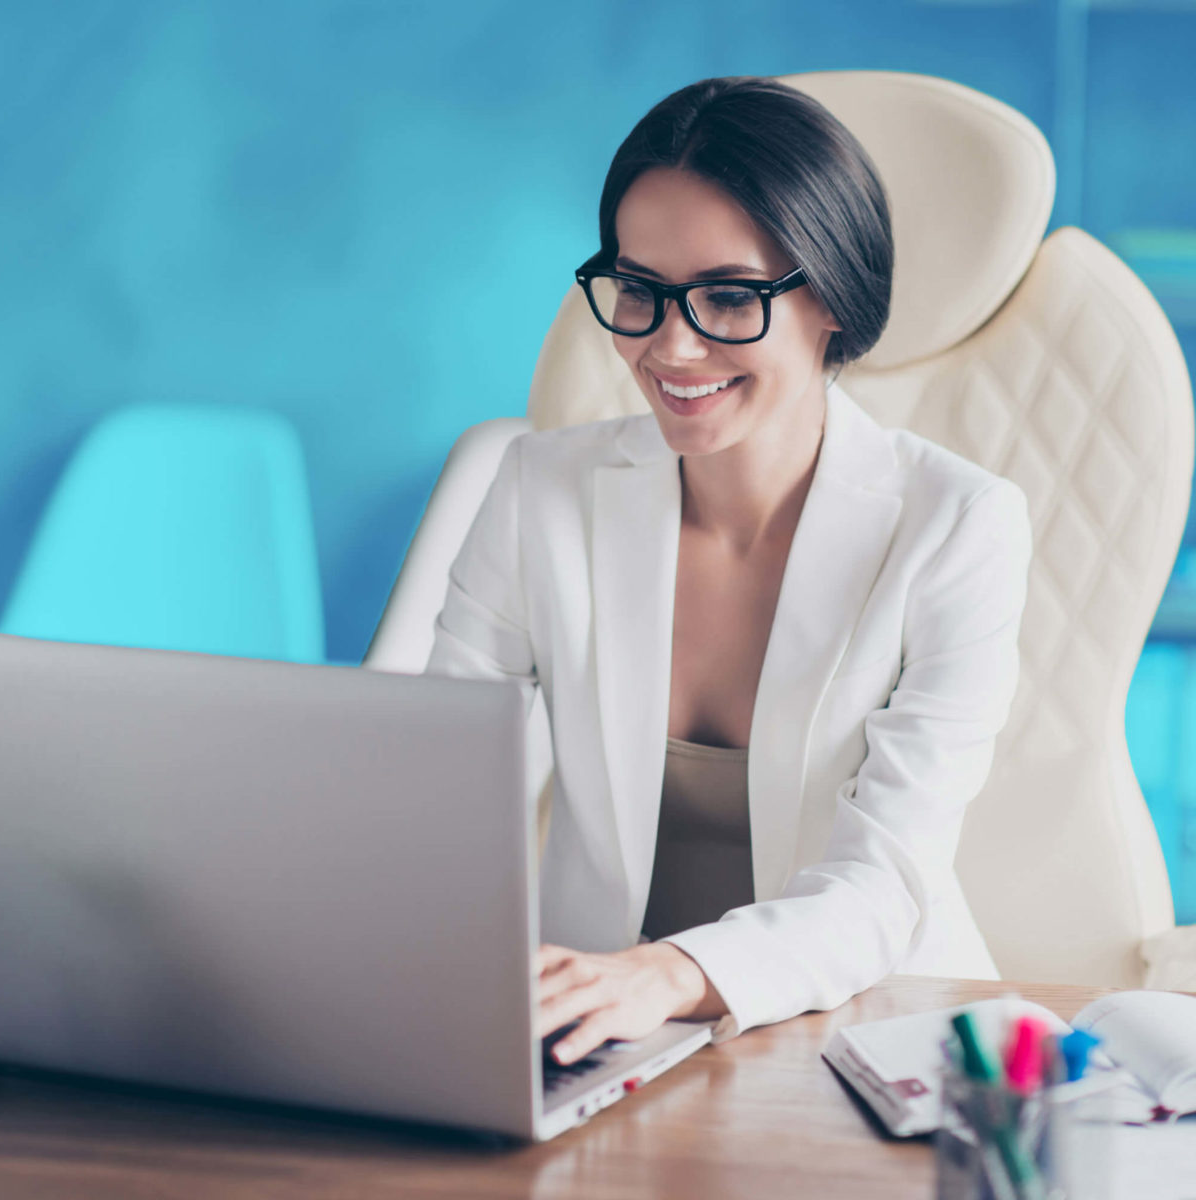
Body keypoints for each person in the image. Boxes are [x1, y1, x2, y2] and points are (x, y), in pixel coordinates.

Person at [423, 76, 1032, 1066]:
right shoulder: (539, 488)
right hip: (596, 1040)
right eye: (639, 289)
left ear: (832, 296)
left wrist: (666, 973)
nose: (670, 343)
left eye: (728, 296)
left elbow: (883, 883)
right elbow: (431, 781)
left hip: (862, 1037)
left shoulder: (958, 528)